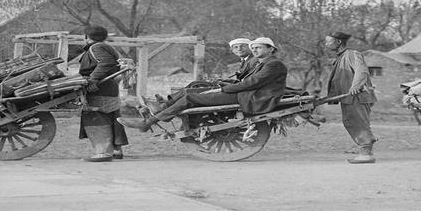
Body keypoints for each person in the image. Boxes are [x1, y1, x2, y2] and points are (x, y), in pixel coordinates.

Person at [118, 37, 287, 131]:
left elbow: (252, 83)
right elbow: (247, 82)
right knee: (191, 91)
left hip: (253, 98)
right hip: (246, 94)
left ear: (271, 49)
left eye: (259, 48)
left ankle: (148, 123)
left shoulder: (274, 64)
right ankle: (163, 106)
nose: (255, 50)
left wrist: (223, 88)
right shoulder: (263, 63)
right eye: (254, 48)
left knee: (191, 98)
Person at [149, 37, 256, 112]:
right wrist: (225, 81)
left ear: (250, 48)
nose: (239, 49)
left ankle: (165, 106)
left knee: (190, 92)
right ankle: (166, 103)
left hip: (239, 93)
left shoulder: (253, 60)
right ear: (232, 50)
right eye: (236, 47)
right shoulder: (245, 60)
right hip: (235, 88)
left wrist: (227, 85)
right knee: (195, 84)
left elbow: (248, 82)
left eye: (243, 46)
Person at [324, 31, 378, 164]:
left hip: (357, 96)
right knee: (350, 122)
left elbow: (362, 71)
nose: (326, 44)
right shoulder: (340, 57)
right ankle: (364, 150)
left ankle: (366, 154)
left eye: (328, 41)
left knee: (358, 123)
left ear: (338, 42)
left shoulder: (352, 54)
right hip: (349, 98)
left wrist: (356, 86)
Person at [78, 25, 129, 162]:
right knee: (112, 117)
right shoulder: (106, 46)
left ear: (87, 37)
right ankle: (116, 150)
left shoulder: (96, 47)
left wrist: (93, 78)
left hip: (99, 88)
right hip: (109, 87)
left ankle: (103, 152)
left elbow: (106, 62)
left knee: (95, 116)